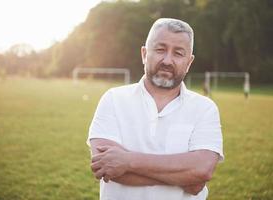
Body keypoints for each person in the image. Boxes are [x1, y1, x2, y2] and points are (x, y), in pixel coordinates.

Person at [87, 18, 224, 200]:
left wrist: (127, 161)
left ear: (189, 62)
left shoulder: (205, 108)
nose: (167, 60)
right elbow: (108, 168)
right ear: (144, 53)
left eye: (178, 53)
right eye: (160, 49)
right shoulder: (113, 99)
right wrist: (185, 175)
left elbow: (201, 171)